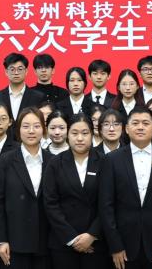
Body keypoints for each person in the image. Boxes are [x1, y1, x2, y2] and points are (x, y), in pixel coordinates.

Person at [99, 105, 152, 269]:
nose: (140, 127)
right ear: (126, 129)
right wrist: (115, 245)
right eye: (135, 123)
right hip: (123, 245)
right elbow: (106, 206)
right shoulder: (111, 160)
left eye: (145, 123)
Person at [43, 113, 106, 269]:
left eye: (85, 133)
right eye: (74, 133)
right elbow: (50, 204)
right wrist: (72, 238)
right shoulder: (55, 163)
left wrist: (92, 235)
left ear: (92, 134)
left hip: (96, 242)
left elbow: (108, 203)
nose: (79, 138)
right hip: (62, 242)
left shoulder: (104, 162)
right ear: (67, 134)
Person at [0, 107, 51, 268]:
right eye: (26, 126)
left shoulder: (53, 161)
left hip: (46, 241)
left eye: (36, 126)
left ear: (43, 129)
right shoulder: (6, 160)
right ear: (18, 129)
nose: (31, 131)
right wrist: (1, 240)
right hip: (14, 241)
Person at [0, 53, 45, 122]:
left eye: (20, 69)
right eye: (12, 69)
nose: (16, 73)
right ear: (6, 72)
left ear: (26, 71)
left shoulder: (38, 97)